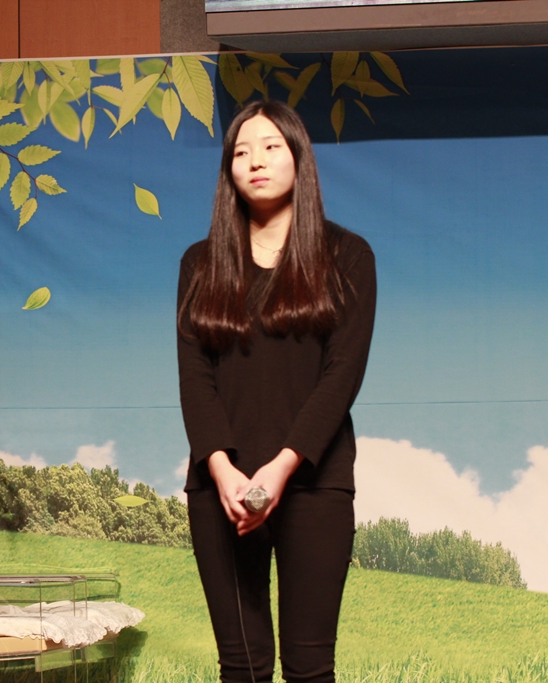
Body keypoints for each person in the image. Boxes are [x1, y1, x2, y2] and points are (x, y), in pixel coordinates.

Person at [177, 100, 376, 683]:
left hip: (315, 484)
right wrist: (221, 470)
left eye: (270, 147)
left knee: (309, 668)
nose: (255, 161)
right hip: (222, 489)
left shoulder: (348, 256)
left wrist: (282, 467)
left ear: (298, 158)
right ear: (228, 170)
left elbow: (342, 375)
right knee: (242, 667)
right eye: (241, 151)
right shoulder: (199, 263)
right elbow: (194, 376)